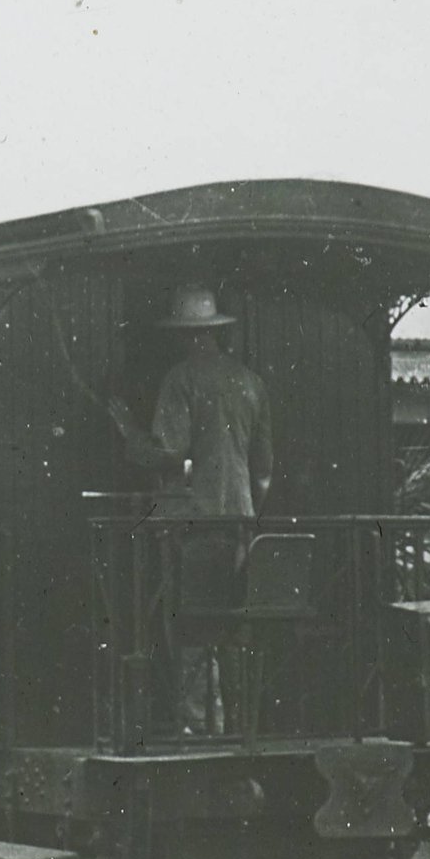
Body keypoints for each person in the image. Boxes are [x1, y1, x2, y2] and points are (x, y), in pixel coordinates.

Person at [108, 284, 275, 733]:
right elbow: (263, 470)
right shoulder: (250, 383)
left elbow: (170, 450)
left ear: (186, 336)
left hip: (196, 522)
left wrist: (129, 435)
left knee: (190, 627)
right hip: (241, 521)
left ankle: (198, 725)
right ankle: (238, 725)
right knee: (233, 624)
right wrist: (246, 510)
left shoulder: (181, 379)